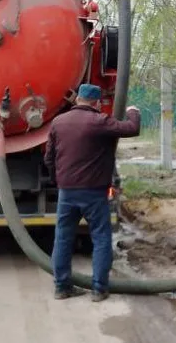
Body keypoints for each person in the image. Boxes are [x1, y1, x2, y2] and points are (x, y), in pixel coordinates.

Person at [44, 84, 141, 302]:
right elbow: (132, 128)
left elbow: (48, 159)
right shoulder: (99, 121)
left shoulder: (58, 123)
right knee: (100, 238)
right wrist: (133, 111)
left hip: (67, 193)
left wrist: (58, 180)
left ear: (78, 99)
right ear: (96, 103)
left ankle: (61, 287)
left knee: (62, 239)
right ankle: (98, 289)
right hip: (94, 192)